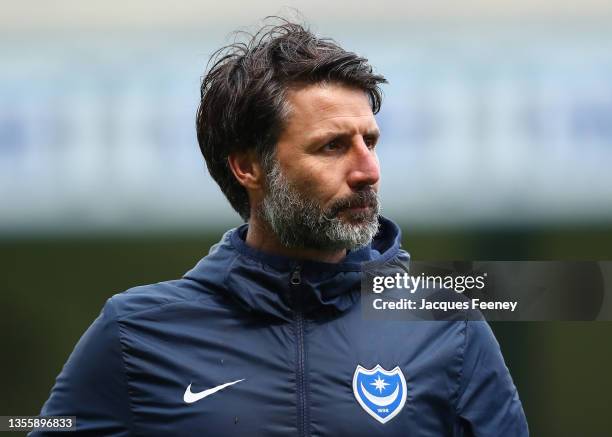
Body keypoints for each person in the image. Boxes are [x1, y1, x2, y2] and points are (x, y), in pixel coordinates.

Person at [32, 19, 528, 436]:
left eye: (370, 141)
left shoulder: (447, 324)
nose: (367, 170)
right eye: (332, 146)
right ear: (248, 167)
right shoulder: (135, 332)